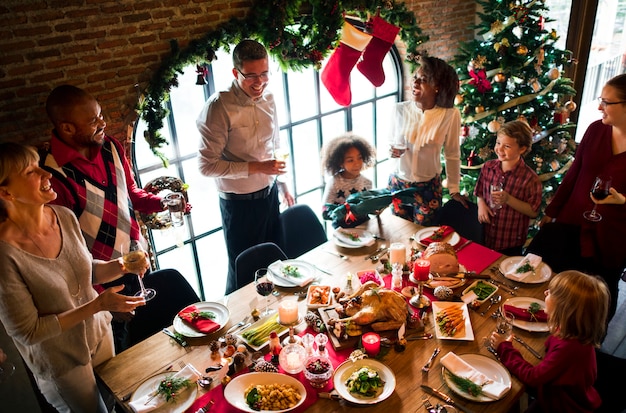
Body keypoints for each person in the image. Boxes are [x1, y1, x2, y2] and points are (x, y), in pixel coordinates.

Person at [0, 142, 146, 413]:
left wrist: (124, 265)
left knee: (116, 404)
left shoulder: (64, 216)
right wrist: (98, 305)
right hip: (61, 361)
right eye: (30, 172)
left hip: (99, 335)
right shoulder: (4, 255)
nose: (46, 174)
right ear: (6, 192)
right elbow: (28, 332)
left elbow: (85, 271)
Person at [43, 84, 188, 352]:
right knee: (122, 352)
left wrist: (163, 204)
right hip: (100, 282)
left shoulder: (110, 146)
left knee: (157, 340)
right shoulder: (52, 176)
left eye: (100, 115)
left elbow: (130, 193)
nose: (103, 122)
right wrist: (103, 299)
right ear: (67, 128)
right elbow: (65, 254)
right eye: (93, 120)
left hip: (136, 261)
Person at [196, 39, 295, 295]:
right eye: (251, 76)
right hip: (238, 205)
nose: (259, 82)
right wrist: (258, 167)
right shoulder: (218, 108)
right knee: (244, 274)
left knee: (277, 265)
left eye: (264, 74)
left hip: (270, 196)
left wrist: (283, 185)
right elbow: (207, 166)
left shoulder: (270, 98)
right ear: (235, 73)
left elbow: (276, 145)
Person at [526, 74, 626, 321]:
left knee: (598, 296)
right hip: (572, 222)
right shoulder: (595, 130)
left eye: (606, 102)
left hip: (610, 236)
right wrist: (552, 210)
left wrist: (623, 201)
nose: (599, 106)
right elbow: (573, 173)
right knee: (559, 285)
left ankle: (588, 345)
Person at [490, 270, 609, 412]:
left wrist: (504, 348)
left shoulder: (569, 347)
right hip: (561, 394)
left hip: (562, 406)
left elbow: (533, 377)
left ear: (563, 307)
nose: (546, 292)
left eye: (551, 292)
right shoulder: (570, 330)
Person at [387, 54, 465, 226]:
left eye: (422, 80)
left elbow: (452, 154)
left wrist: (454, 189)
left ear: (437, 86)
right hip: (398, 185)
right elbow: (390, 144)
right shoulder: (399, 110)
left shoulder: (450, 115)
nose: (414, 83)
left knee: (424, 240)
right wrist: (392, 150)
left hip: (428, 189)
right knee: (399, 234)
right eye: (415, 77)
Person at [474, 120, 542, 256]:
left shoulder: (530, 179)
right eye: (498, 143)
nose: (499, 149)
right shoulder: (488, 167)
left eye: (507, 146)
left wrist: (508, 199)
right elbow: (479, 192)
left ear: (522, 149)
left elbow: (533, 211)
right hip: (484, 235)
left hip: (510, 242)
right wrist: (481, 204)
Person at [321, 132, 375, 206]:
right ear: (340, 162)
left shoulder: (367, 182)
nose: (357, 163)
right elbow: (325, 209)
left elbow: (369, 207)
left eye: (360, 158)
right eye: (350, 160)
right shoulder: (334, 183)